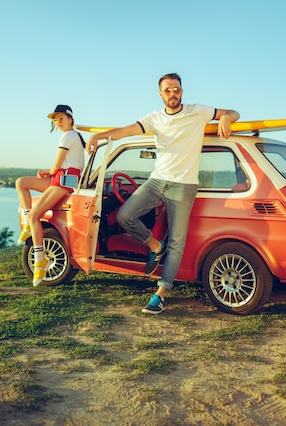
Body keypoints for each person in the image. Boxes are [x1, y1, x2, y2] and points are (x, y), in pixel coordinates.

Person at [86, 73, 240, 315]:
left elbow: (233, 112)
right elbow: (126, 131)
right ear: (160, 94)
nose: (173, 94)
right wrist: (98, 136)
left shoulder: (196, 111)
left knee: (178, 242)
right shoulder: (154, 118)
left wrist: (226, 119)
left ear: (182, 91)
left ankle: (160, 295)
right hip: (157, 181)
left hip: (184, 185)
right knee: (126, 216)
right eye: (167, 90)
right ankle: (157, 247)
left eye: (176, 89)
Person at [16, 105, 85, 287]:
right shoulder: (76, 136)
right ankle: (28, 228)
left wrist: (49, 171)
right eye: (55, 120)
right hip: (60, 178)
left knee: (34, 215)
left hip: (64, 180)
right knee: (21, 182)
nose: (58, 123)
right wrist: (51, 173)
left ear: (70, 119)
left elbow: (58, 163)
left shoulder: (69, 135)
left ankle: (39, 261)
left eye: (61, 118)